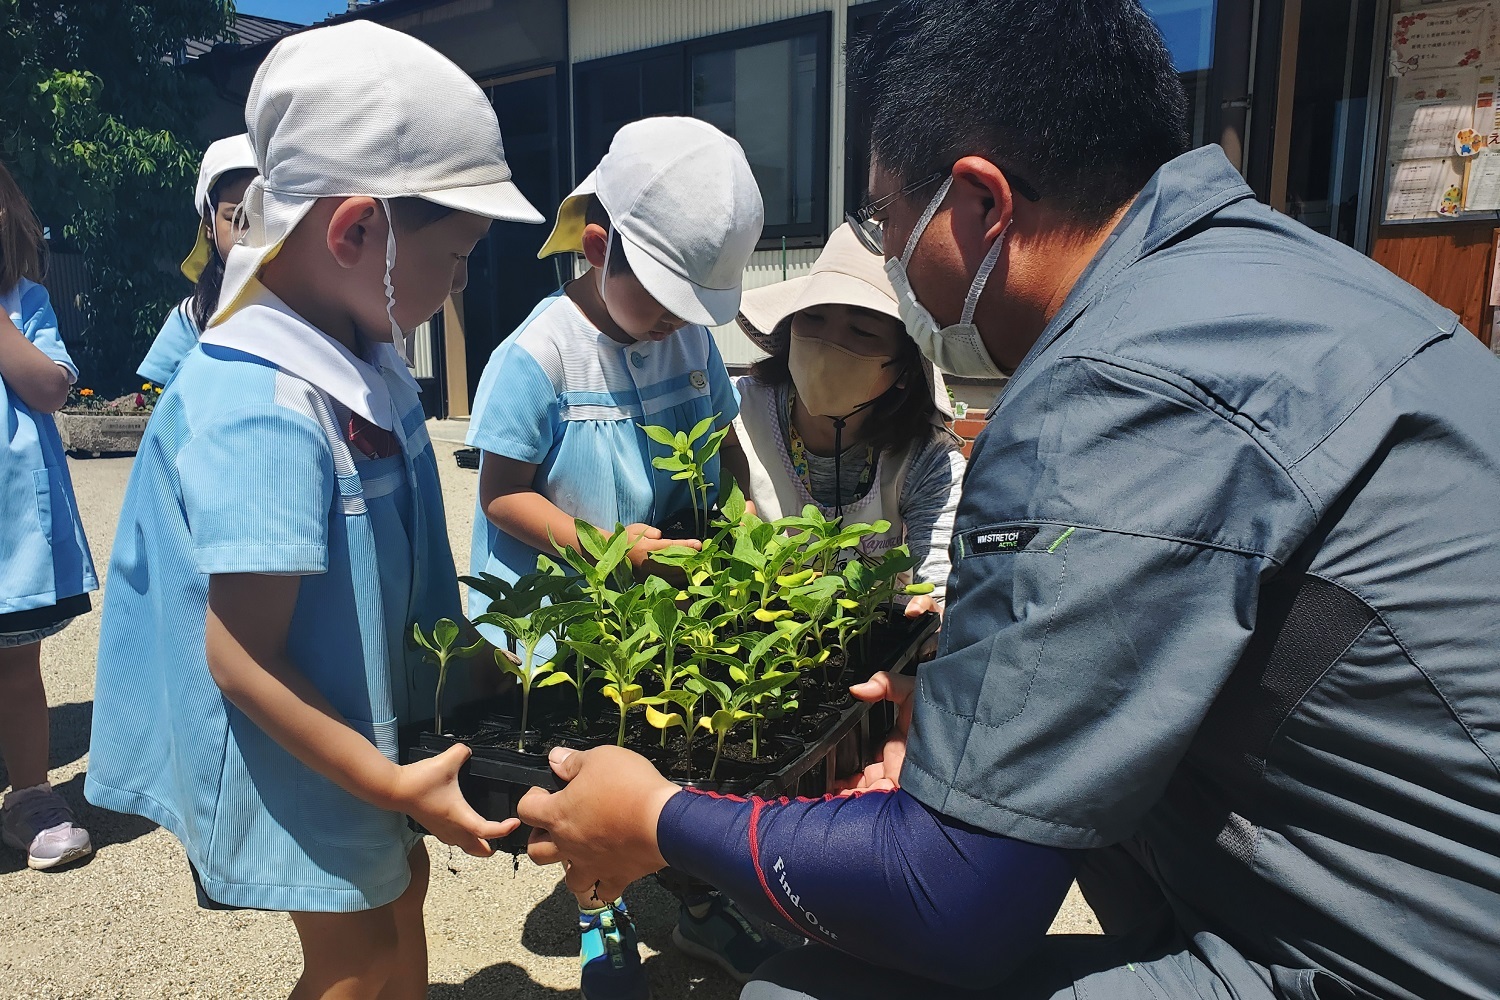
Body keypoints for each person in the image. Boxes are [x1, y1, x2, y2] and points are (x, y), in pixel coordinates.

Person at [509, 2, 1500, 999]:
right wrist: (967, 722)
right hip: (1408, 890)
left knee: (797, 990)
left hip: (1393, 961)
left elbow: (948, 903)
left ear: (979, 203)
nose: (888, 250)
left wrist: (656, 818)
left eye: (885, 215)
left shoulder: (1105, 387)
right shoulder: (1291, 280)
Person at [85, 22, 543, 999]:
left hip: (353, 713)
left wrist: (476, 669)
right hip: (297, 738)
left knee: (400, 887)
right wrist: (389, 782)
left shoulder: (359, 346)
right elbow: (241, 657)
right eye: (457, 255)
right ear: (354, 234)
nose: (461, 282)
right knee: (353, 947)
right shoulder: (263, 402)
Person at [466, 116, 771, 999]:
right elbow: (502, 496)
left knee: (677, 761)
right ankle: (602, 912)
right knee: (586, 766)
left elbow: (723, 447)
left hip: (660, 603)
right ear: (597, 246)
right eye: (666, 295)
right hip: (564, 616)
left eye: (692, 303)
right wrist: (605, 548)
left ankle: (702, 908)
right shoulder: (540, 355)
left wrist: (741, 520)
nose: (677, 318)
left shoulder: (685, 338)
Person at [732, 222, 964, 620]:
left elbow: (941, 584)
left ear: (905, 370)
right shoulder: (736, 417)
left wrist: (935, 617)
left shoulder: (925, 462)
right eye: (813, 319)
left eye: (861, 331)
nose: (828, 346)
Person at [0, 160, 98, 872]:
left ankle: (29, 793)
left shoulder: (25, 300)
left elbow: (49, 388)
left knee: (16, 663)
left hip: (10, 533)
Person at [137, 134, 259, 386]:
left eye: (266, 217)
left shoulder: (315, 308)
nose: (253, 233)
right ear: (209, 224)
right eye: (236, 218)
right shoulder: (193, 317)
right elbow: (161, 399)